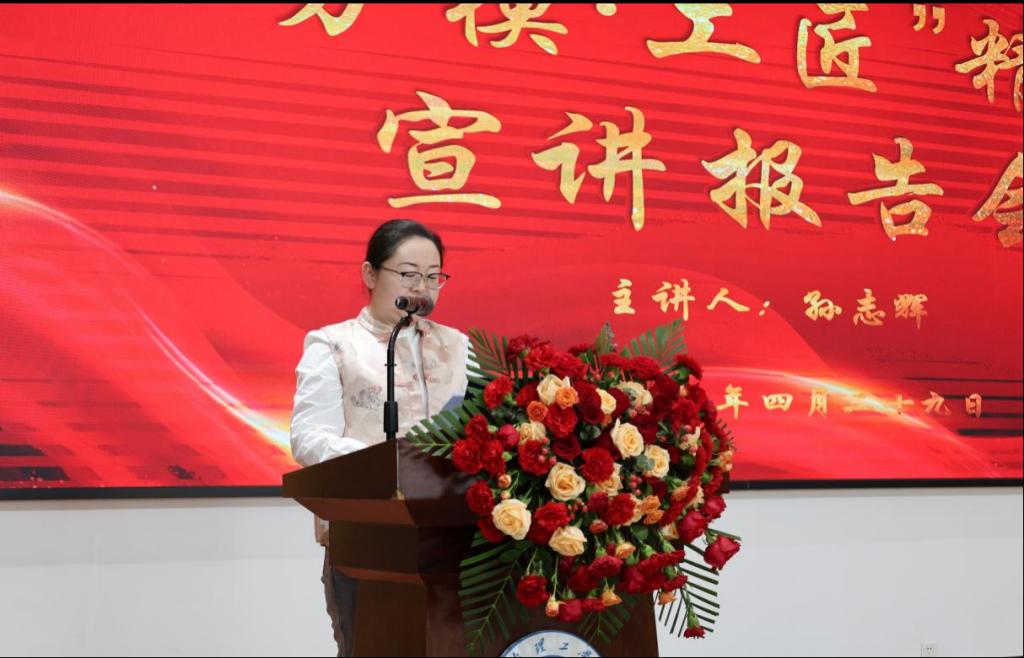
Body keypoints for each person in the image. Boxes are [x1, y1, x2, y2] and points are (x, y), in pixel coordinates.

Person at [289, 219, 470, 657]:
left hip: (458, 542)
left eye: (433, 277)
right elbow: (309, 437)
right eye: (408, 274)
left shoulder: (459, 346)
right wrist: (385, 465)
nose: (421, 287)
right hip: (367, 541)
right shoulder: (334, 344)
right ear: (371, 274)